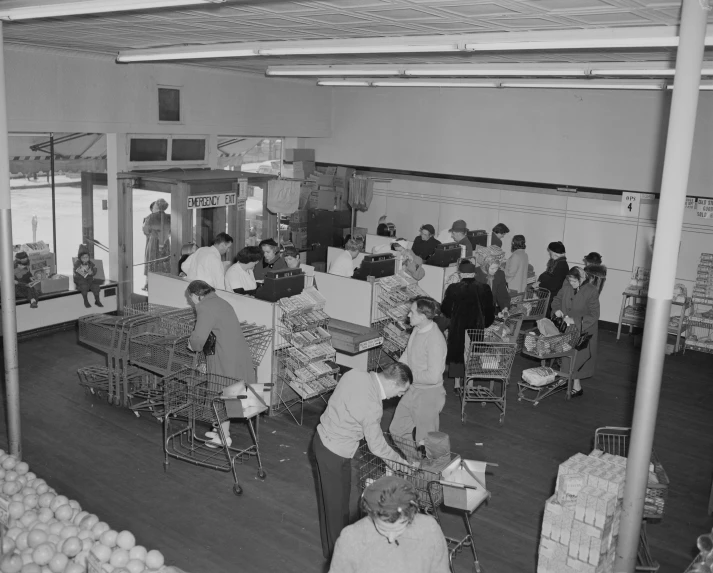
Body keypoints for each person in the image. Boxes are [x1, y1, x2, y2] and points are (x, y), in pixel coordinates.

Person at [313, 363, 414, 559]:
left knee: (337, 503)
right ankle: (339, 559)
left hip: (324, 441)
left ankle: (332, 550)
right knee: (335, 509)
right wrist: (400, 463)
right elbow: (377, 446)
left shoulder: (355, 374)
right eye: (402, 390)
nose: (400, 395)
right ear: (393, 383)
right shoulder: (372, 406)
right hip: (333, 452)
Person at [329, 476, 449, 573]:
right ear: (371, 515)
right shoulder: (350, 539)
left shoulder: (429, 530)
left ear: (411, 515)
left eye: (399, 528)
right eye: (383, 529)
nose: (391, 538)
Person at [186, 280, 256, 447]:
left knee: (220, 394)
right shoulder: (221, 302)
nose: (192, 303)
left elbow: (198, 339)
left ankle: (223, 438)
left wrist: (192, 344)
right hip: (237, 353)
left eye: (191, 299)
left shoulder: (204, 307)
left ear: (197, 296)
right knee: (231, 392)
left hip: (223, 356)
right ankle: (221, 431)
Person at [389, 297, 447, 444]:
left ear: (422, 317)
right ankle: (413, 464)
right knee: (397, 430)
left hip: (429, 395)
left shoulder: (435, 340)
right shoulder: (417, 328)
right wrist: (397, 370)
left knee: (427, 442)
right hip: (413, 389)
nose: (408, 315)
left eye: (412, 312)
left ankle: (428, 467)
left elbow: (433, 377)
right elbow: (408, 354)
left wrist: (407, 376)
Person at [441, 260, 495, 392]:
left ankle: (457, 384)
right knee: (473, 353)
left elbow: (446, 309)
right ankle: (470, 382)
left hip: (459, 327)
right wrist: (485, 323)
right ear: (474, 273)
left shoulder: (453, 288)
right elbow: (490, 310)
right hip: (476, 327)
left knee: (458, 352)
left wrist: (453, 317)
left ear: (460, 273)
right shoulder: (484, 288)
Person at [551, 267, 600, 398]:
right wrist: (556, 309)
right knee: (566, 355)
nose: (571, 283)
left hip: (583, 330)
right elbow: (557, 299)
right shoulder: (567, 286)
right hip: (567, 329)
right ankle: (564, 379)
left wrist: (574, 320)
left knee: (577, 358)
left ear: (582, 279)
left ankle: (577, 387)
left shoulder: (591, 291)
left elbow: (594, 315)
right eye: (570, 280)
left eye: (574, 281)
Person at [142, 198, 171, 289]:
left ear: (157, 206)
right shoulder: (170, 217)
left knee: (152, 260)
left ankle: (150, 284)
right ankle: (164, 283)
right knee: (164, 261)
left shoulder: (150, 217)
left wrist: (153, 234)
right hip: (165, 241)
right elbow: (171, 231)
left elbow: (146, 230)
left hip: (153, 241)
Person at [536, 241, 569, 316]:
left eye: (550, 252)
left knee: (545, 317)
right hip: (551, 295)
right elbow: (548, 275)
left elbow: (553, 283)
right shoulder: (558, 262)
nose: (549, 254)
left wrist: (540, 283)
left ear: (554, 252)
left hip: (552, 296)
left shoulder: (560, 265)